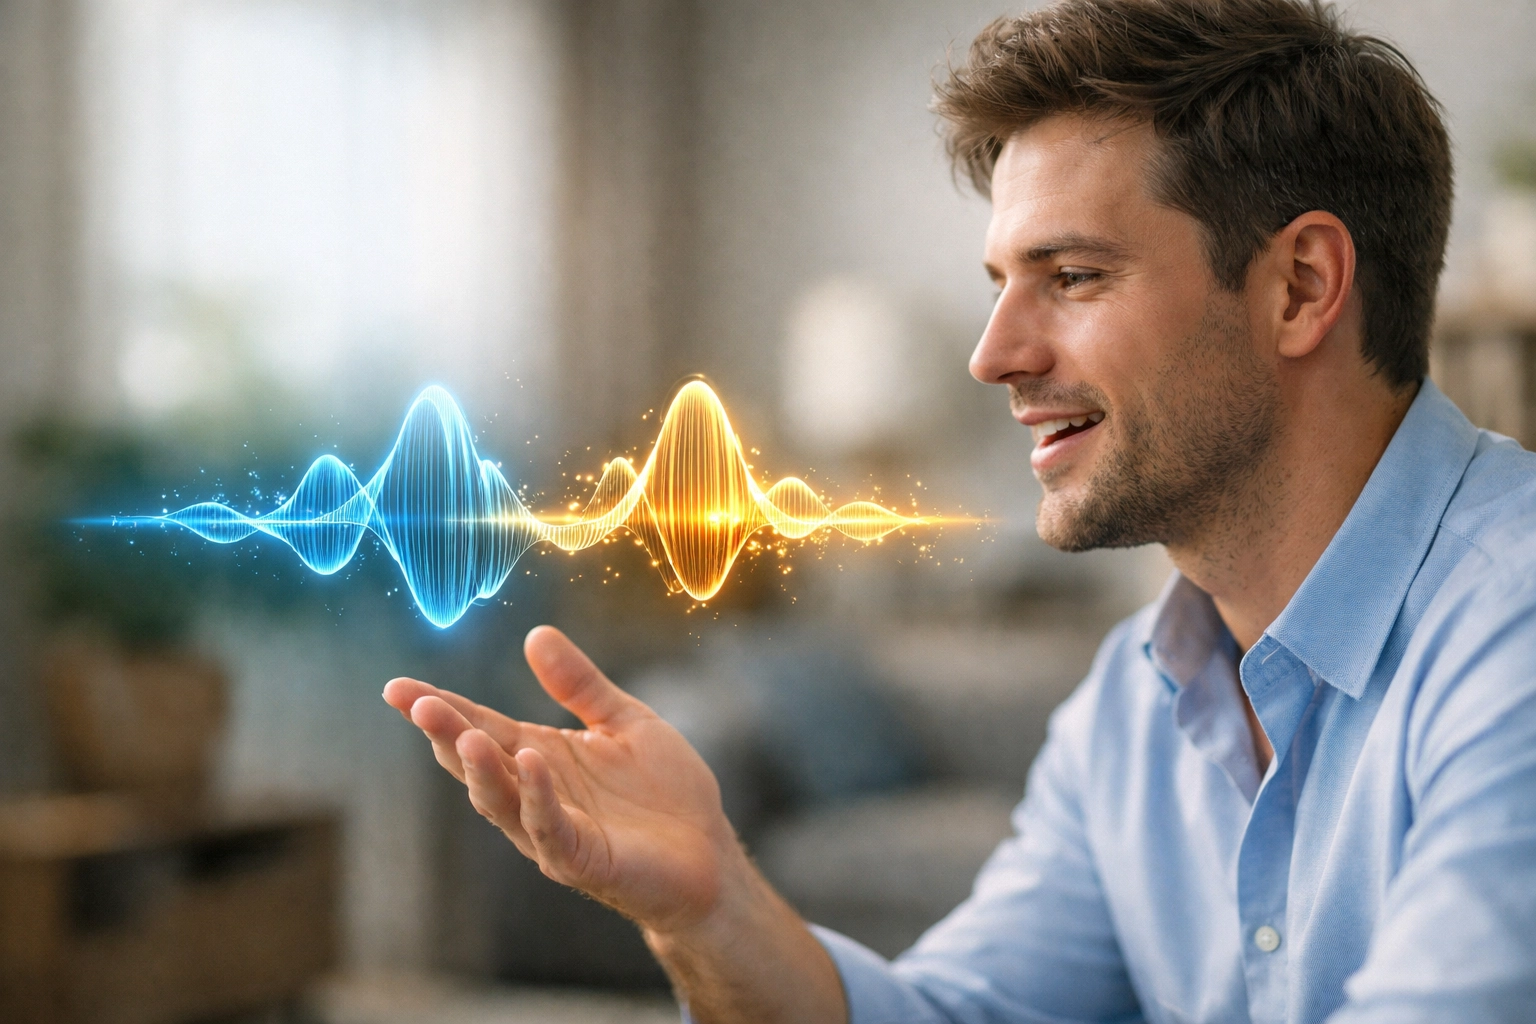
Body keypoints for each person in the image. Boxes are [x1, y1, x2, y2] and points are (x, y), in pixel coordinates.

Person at [383, 0, 1536, 1020]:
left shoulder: (1511, 630)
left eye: (1072, 277)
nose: (994, 356)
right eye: (1001, 286)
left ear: (1301, 288)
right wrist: (711, 906)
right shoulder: (1136, 700)